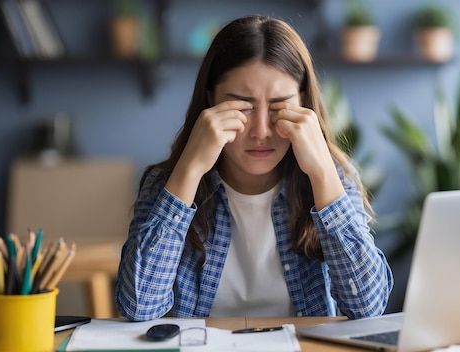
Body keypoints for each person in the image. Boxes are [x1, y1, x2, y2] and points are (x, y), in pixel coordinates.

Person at [114, 15, 393, 322]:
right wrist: (190, 169)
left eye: (279, 107)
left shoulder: (333, 179)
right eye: (242, 107)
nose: (261, 130)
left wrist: (323, 173)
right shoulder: (166, 184)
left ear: (303, 103)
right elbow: (139, 307)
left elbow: (367, 307)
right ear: (210, 102)